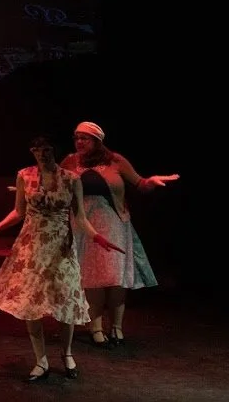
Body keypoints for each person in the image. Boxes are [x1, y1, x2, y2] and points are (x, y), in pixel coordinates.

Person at [0, 136, 125, 383]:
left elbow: (80, 217)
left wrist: (98, 238)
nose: (42, 154)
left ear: (53, 151)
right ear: (32, 151)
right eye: (37, 150)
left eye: (46, 150)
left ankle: (67, 354)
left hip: (60, 246)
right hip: (32, 246)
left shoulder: (71, 179)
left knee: (65, 300)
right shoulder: (24, 175)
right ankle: (41, 360)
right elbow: (19, 211)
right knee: (31, 302)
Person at [60, 120, 179, 347]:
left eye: (84, 138)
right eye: (76, 138)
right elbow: (54, 183)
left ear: (97, 141)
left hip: (114, 223)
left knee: (116, 278)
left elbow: (140, 183)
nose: (79, 142)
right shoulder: (70, 161)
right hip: (84, 225)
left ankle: (116, 327)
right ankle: (95, 328)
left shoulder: (115, 160)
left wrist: (152, 181)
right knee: (92, 277)